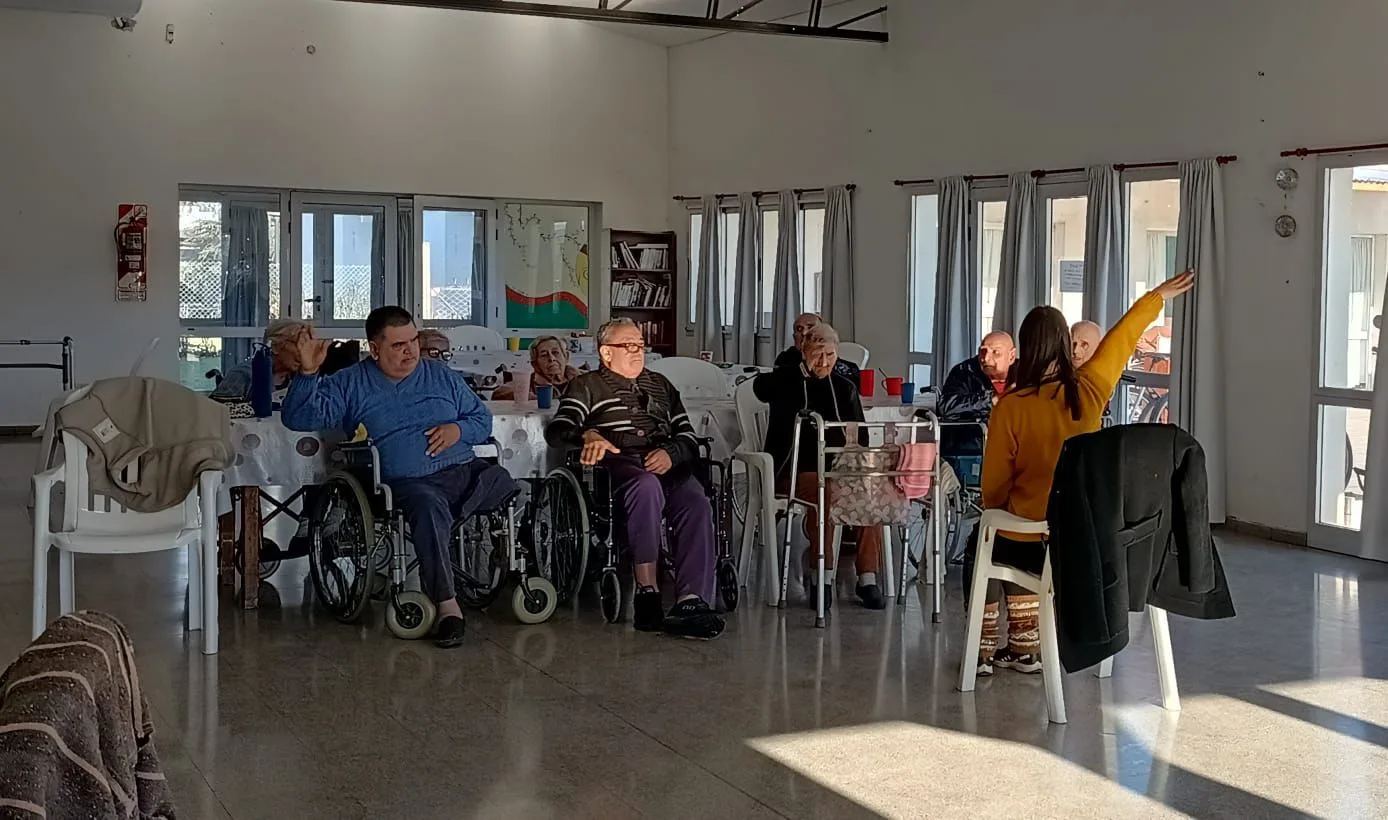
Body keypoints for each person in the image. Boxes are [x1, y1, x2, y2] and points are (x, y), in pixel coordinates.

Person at [970, 270, 1196, 678]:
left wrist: (999, 509)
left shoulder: (1012, 407)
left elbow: (995, 486)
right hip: (1087, 538)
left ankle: (989, 651)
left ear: (1024, 349)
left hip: (1035, 537)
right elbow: (1120, 341)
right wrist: (1157, 297)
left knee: (986, 538)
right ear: (1063, 344)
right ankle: (1025, 646)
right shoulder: (1090, 391)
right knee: (1008, 532)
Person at [281, 306, 515, 649]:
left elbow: (481, 419)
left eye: (414, 341)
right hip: (409, 485)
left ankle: (512, 570)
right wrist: (307, 373)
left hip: (463, 471)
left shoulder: (440, 374)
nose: (411, 351)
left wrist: (458, 430)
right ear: (375, 349)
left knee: (506, 483)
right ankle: (448, 606)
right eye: (398, 345)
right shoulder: (351, 382)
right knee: (429, 507)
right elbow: (298, 419)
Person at [544, 318, 725, 639]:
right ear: (606, 353)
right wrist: (588, 435)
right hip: (619, 464)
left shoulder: (661, 384)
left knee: (696, 500)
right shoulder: (586, 385)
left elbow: (687, 435)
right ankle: (647, 590)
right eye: (628, 345)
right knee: (646, 486)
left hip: (667, 462)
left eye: (640, 345)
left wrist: (672, 452)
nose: (637, 351)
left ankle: (691, 600)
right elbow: (558, 429)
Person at [753, 324, 885, 610]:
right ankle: (821, 577)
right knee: (824, 492)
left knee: (868, 492)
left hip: (836, 468)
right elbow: (760, 388)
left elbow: (860, 436)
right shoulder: (787, 380)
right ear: (804, 352)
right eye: (817, 354)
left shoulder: (845, 387)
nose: (824, 362)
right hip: (792, 471)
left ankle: (867, 578)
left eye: (830, 355)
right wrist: (798, 372)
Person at [937, 331, 1016, 458]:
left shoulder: (1026, 374)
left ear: (1011, 356)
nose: (986, 358)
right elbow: (946, 406)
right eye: (982, 351)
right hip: (972, 452)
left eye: (995, 352)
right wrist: (990, 400)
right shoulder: (964, 372)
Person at [209, 319, 314, 403]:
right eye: (299, 344)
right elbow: (215, 414)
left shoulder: (304, 379)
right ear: (275, 346)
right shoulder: (243, 375)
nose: (305, 353)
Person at [773, 312, 861, 383]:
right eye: (799, 329)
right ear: (794, 337)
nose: (804, 333)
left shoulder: (847, 368)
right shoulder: (785, 360)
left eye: (810, 327)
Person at [492, 335, 581, 400]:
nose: (551, 358)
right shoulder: (530, 382)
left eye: (555, 352)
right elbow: (498, 393)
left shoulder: (583, 378)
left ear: (566, 357)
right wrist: (531, 398)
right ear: (535, 364)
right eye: (544, 355)